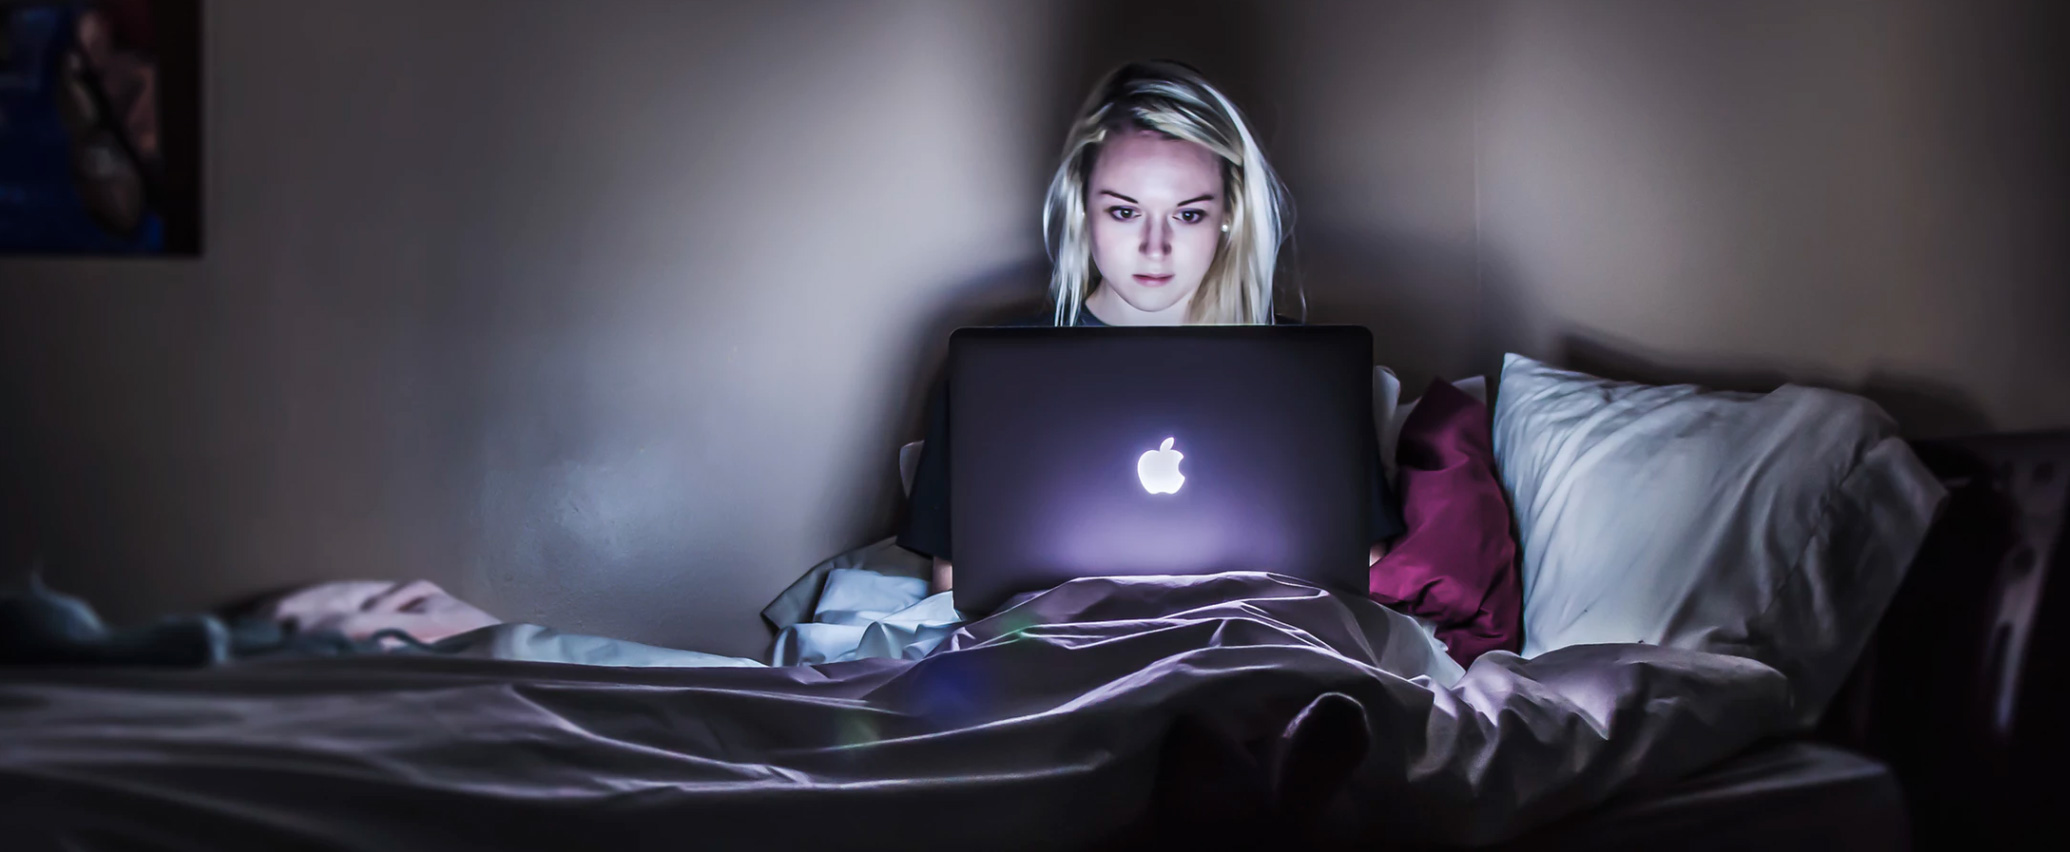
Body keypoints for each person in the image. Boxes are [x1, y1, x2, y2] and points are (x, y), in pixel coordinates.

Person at [900, 60, 1405, 597]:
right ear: (1082, 206)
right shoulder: (995, 372)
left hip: (1246, 642)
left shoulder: (1304, 370)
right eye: (1124, 212)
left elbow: (1362, 563)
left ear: (1229, 214)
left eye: (1188, 215)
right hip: (1063, 648)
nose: (1155, 247)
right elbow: (955, 580)